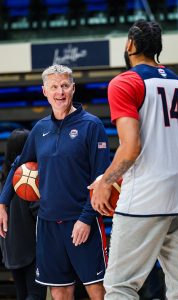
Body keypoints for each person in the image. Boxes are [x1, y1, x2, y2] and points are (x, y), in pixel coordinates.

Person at [89, 20, 178, 299]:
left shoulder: (125, 82)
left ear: (130, 44)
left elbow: (130, 147)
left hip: (146, 196)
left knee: (120, 286)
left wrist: (105, 181)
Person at [0, 64, 110, 300]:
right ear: (44, 91)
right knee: (59, 292)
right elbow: (18, 165)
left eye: (64, 86)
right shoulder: (39, 129)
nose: (60, 92)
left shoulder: (92, 126)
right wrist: (3, 202)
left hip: (82, 222)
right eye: (54, 87)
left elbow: (101, 180)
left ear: (73, 88)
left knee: (97, 289)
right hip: (48, 224)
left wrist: (86, 219)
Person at [0, 128, 47, 300]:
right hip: (31, 247)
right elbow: (37, 211)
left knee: (22, 294)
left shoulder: (3, 177)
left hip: (9, 248)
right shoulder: (29, 177)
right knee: (35, 295)